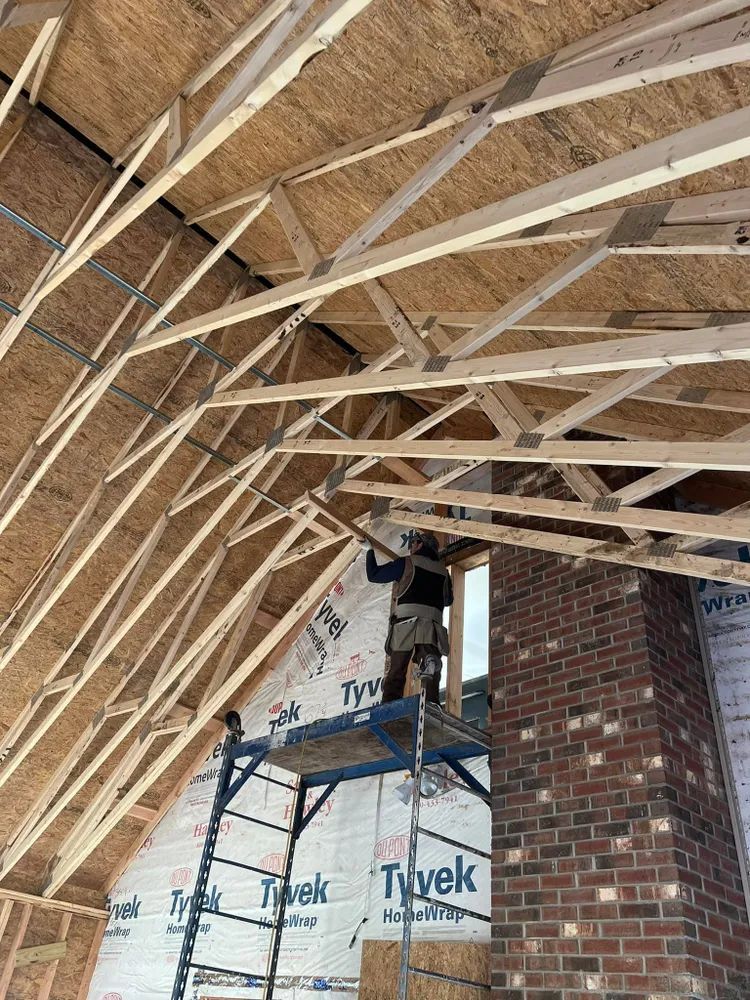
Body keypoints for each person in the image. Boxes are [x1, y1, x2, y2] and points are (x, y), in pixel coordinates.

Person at [362, 530, 453, 704]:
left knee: (397, 670)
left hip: (406, 624)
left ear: (420, 544)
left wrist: (369, 551)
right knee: (431, 667)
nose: (410, 548)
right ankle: (431, 707)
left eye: (412, 544)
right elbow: (448, 600)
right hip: (432, 628)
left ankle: (389, 707)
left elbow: (374, 575)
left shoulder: (407, 563)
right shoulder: (444, 573)